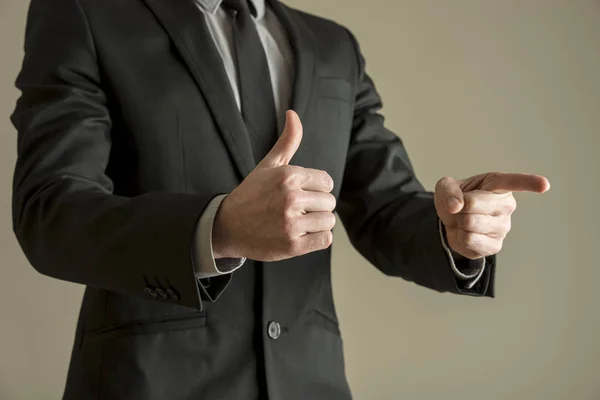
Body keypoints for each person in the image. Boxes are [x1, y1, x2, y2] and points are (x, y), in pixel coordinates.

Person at [10, 0, 549, 398]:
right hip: (149, 382)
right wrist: (216, 228)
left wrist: (453, 231)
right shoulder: (87, 14)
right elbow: (51, 209)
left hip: (310, 382)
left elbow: (384, 207)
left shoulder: (333, 46)